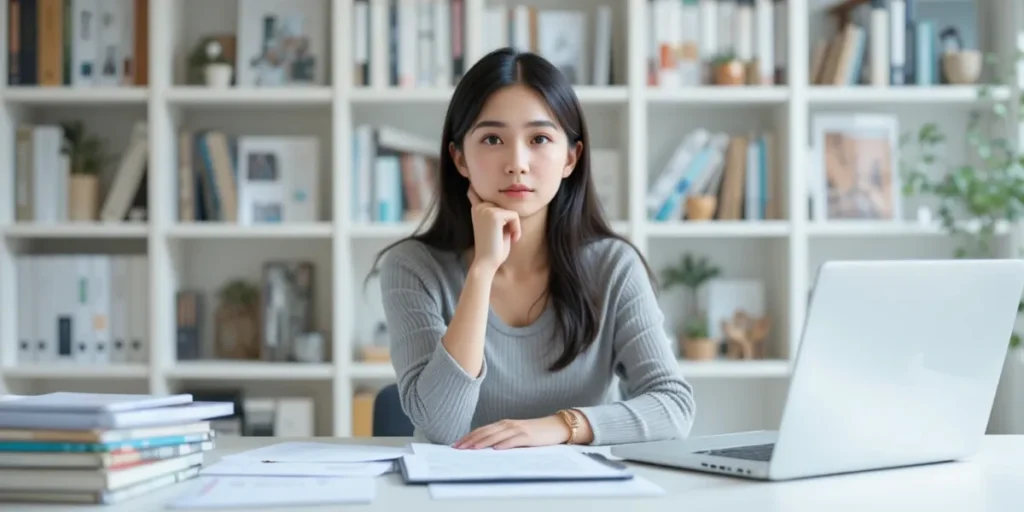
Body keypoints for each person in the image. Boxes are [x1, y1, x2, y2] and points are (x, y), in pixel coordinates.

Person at [371, 47, 696, 448]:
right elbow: (441, 426)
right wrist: (482, 271)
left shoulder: (613, 266)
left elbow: (674, 407)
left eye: (540, 138)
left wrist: (558, 426)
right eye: (492, 139)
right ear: (460, 159)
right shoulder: (412, 267)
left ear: (571, 158)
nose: (517, 162)